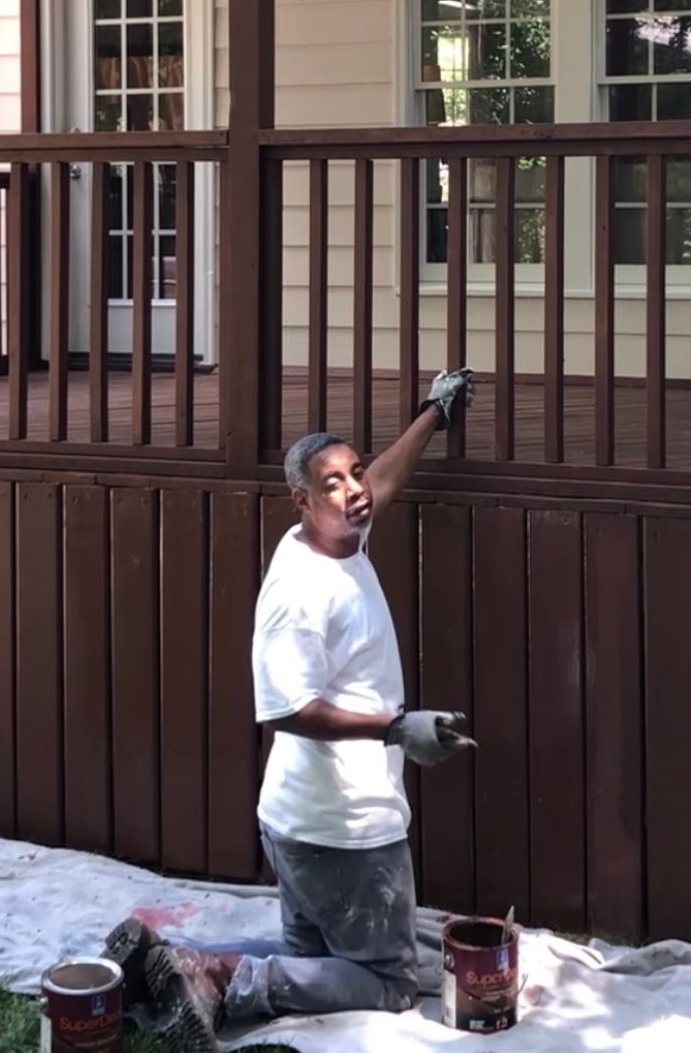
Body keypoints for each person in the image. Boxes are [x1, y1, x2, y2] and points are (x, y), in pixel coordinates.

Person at [104, 368, 477, 1052]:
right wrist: (398, 727)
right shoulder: (299, 594)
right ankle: (222, 975)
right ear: (300, 500)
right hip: (340, 828)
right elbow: (287, 709)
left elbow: (383, 484)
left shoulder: (338, 535)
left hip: (299, 824)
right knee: (389, 981)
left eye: (354, 472)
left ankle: (167, 961)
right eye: (332, 483)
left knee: (308, 956)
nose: (354, 489)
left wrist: (433, 413)